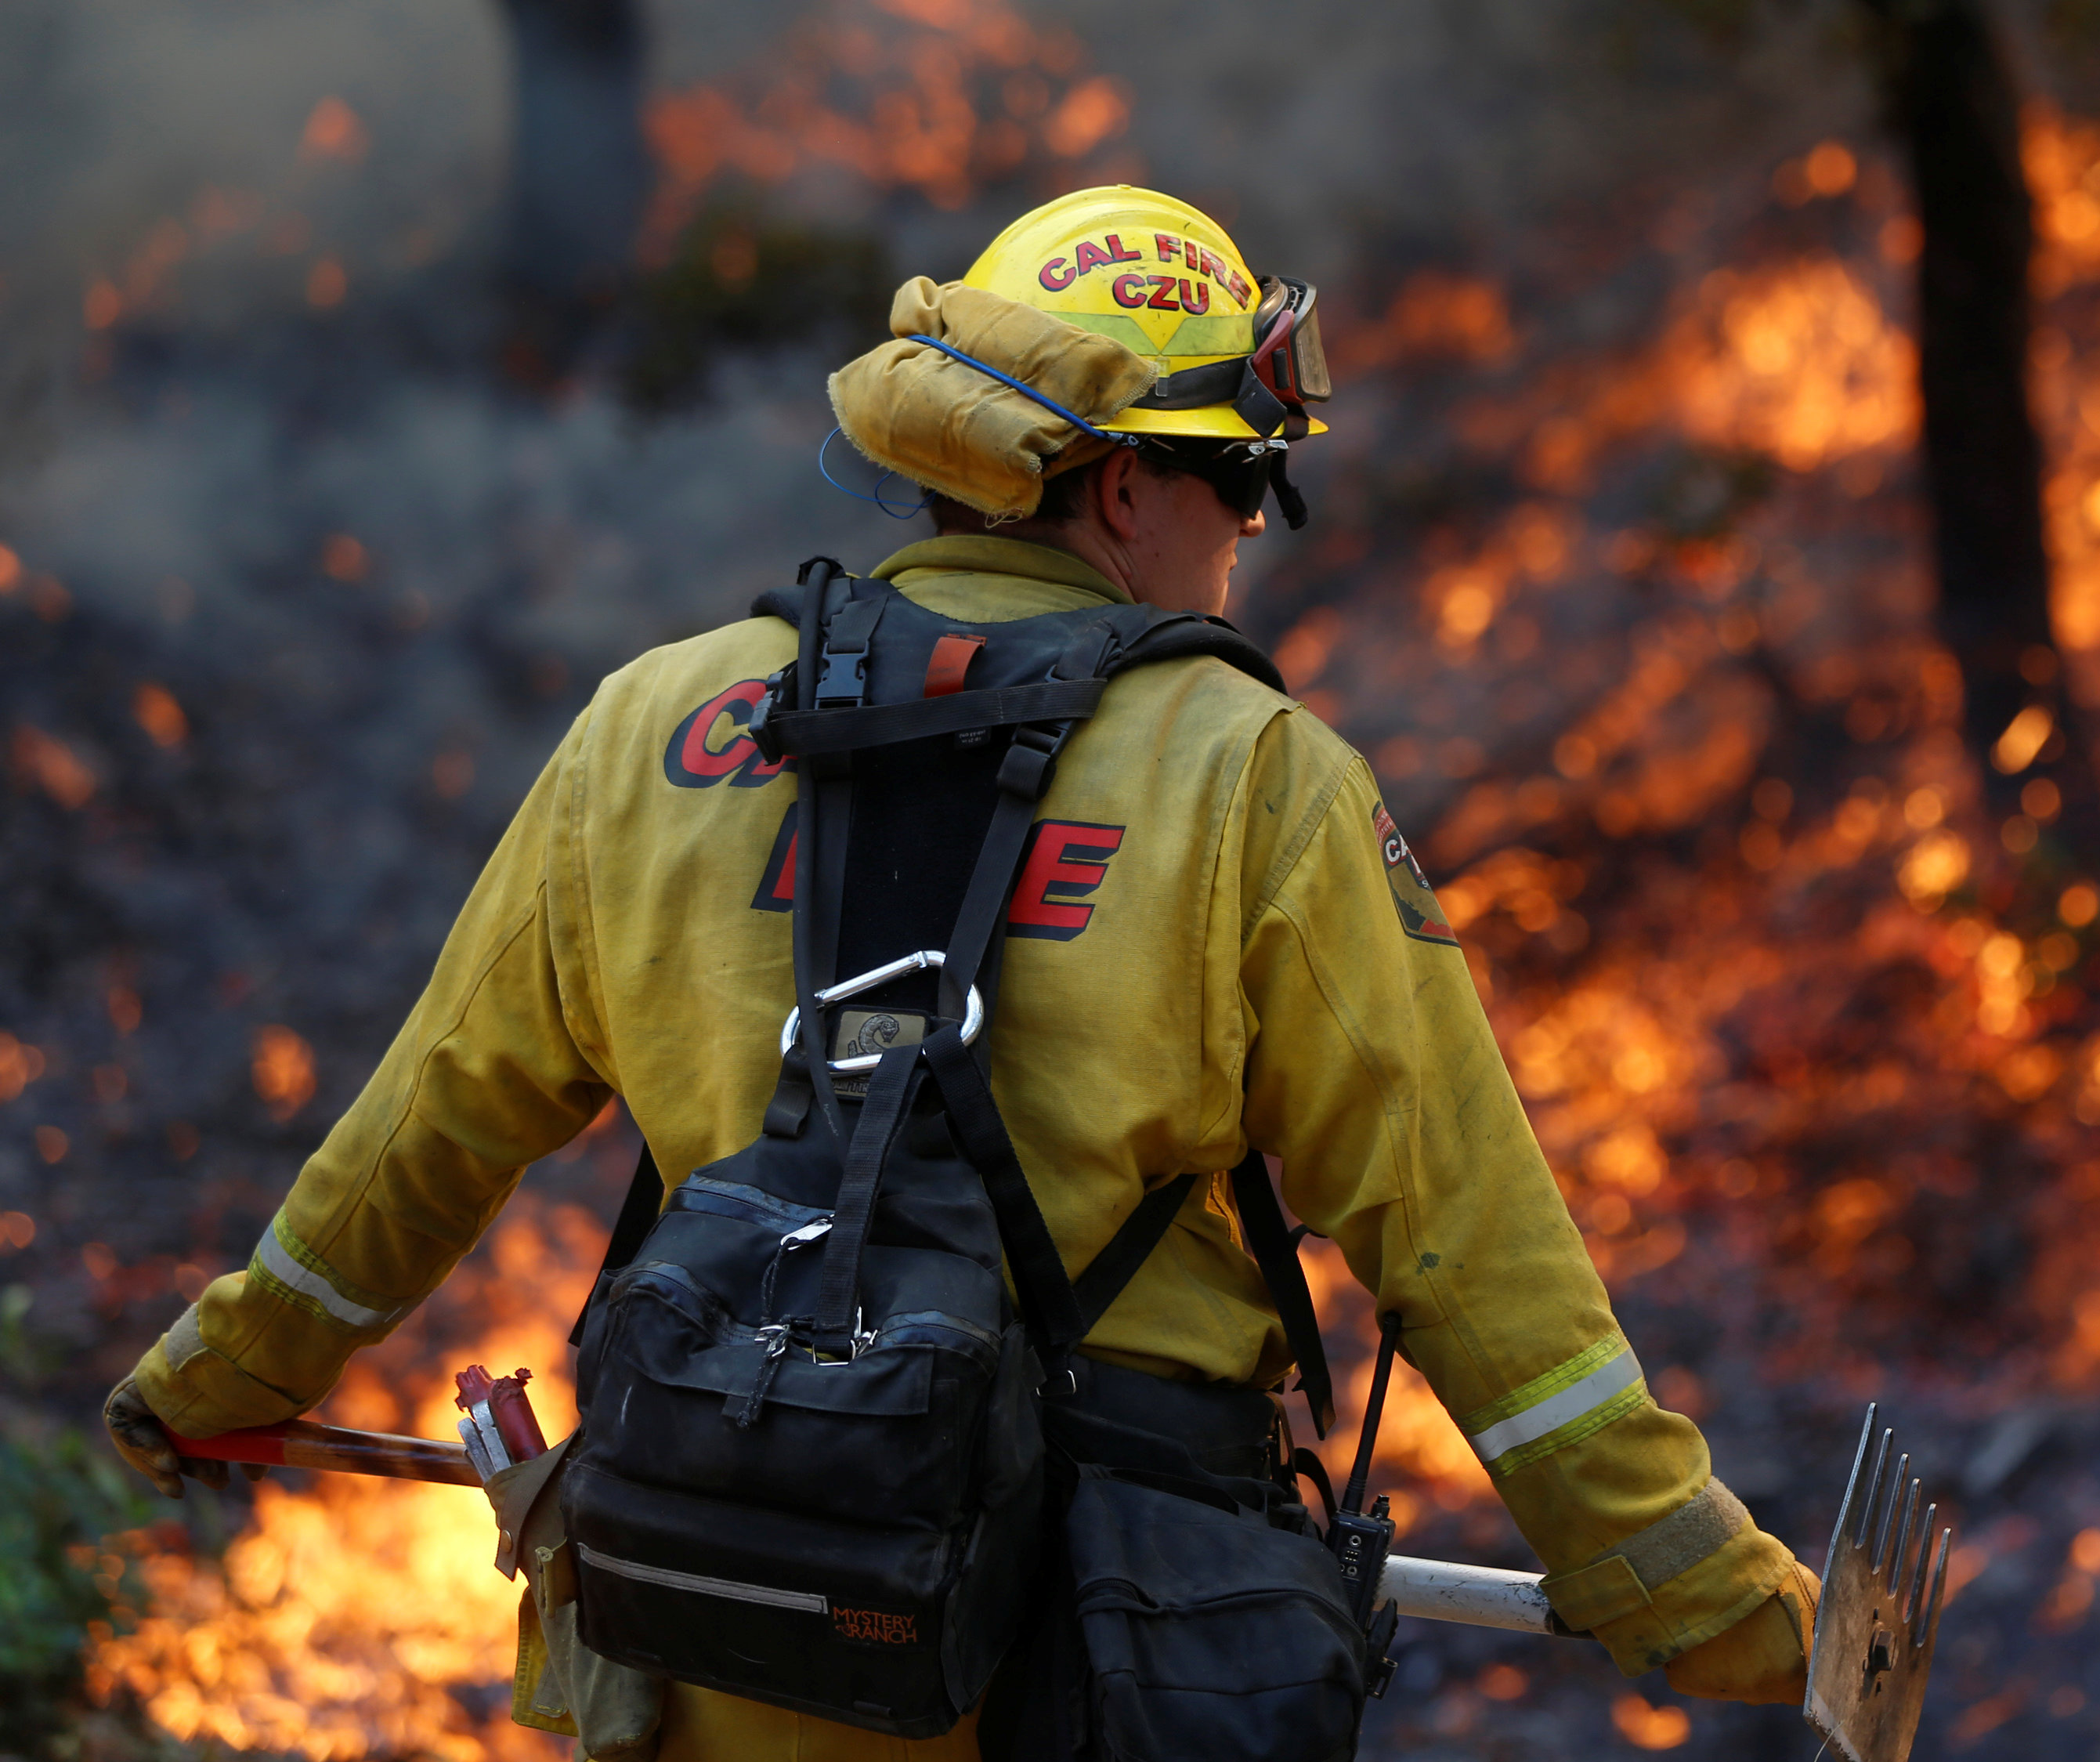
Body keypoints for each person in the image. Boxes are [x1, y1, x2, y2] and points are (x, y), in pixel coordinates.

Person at [103, 186, 1819, 1759]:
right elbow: (1471, 1253)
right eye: (1239, 484)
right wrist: (1695, 1597)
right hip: (1085, 1663)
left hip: (715, 1642)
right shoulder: (1251, 778)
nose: (1243, 539)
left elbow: (422, 1139)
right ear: (1127, 485)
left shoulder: (654, 727)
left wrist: (216, 1387)